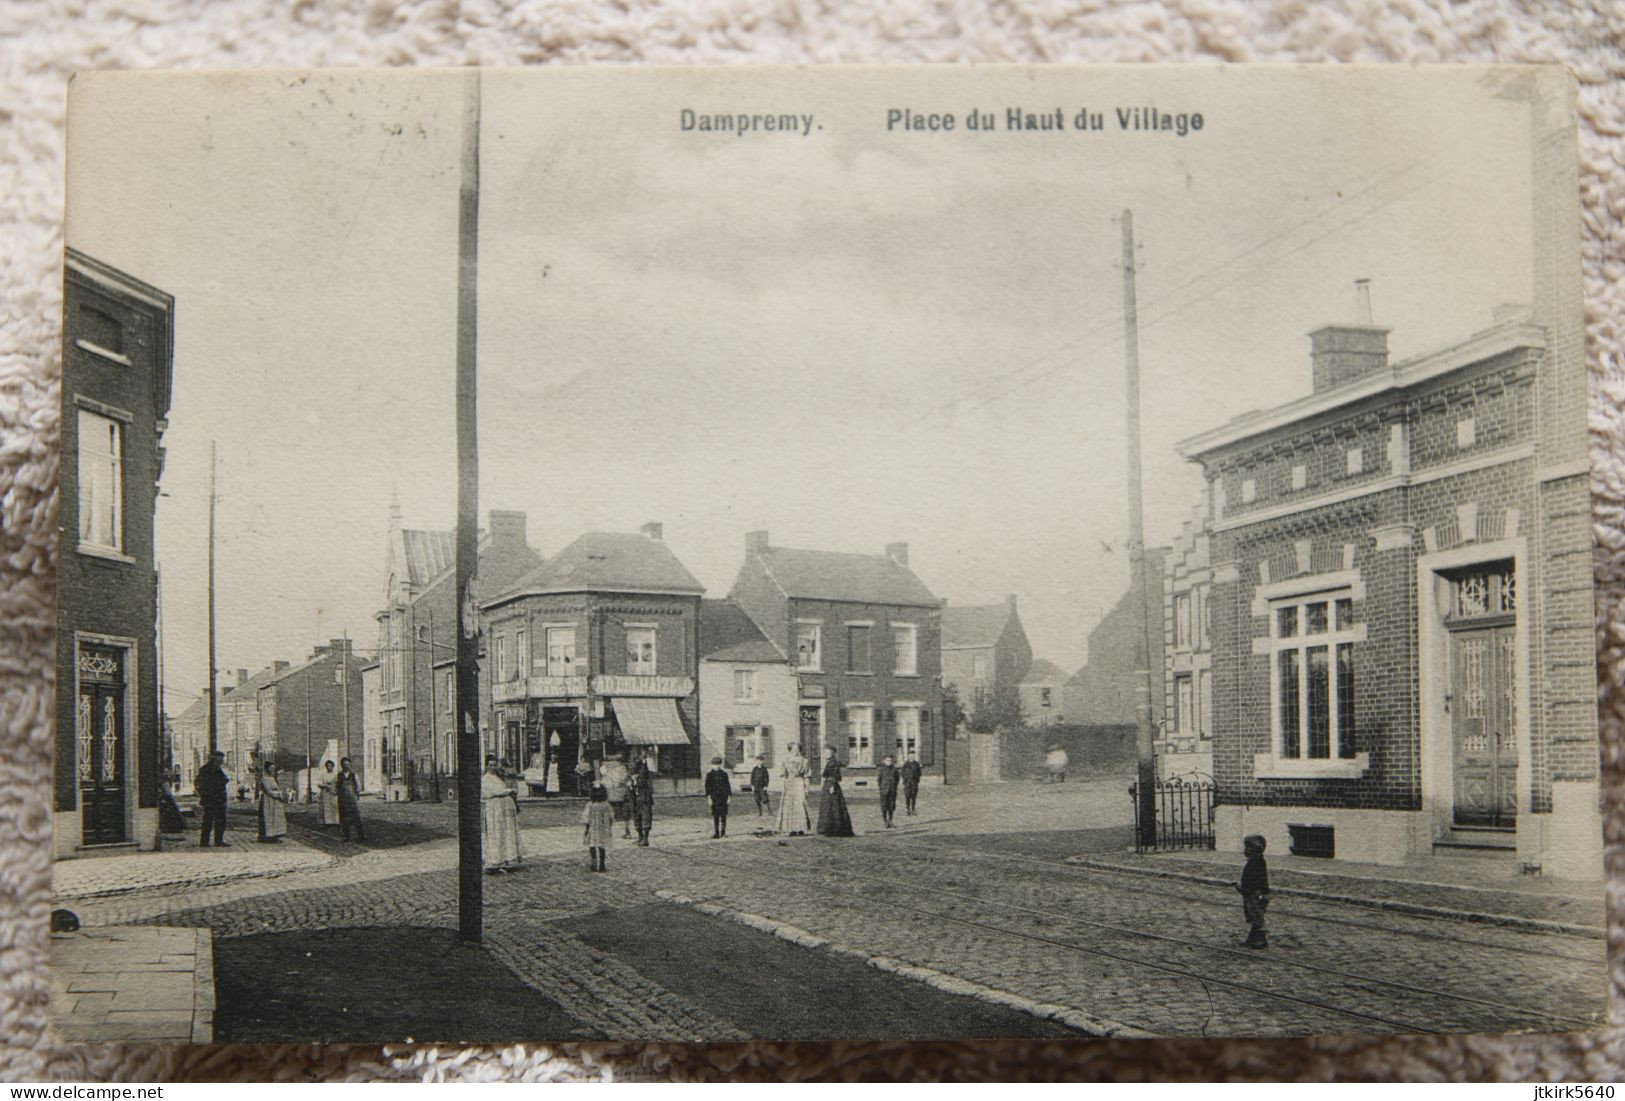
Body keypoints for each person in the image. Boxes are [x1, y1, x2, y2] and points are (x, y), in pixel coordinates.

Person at [483, 754, 523, 874]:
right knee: (496, 832)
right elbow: (493, 792)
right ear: (486, 766)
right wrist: (509, 791)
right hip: (494, 808)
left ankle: (506, 859)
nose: (493, 767)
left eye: (495, 765)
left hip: (503, 808)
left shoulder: (498, 777)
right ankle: (494, 861)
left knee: (505, 832)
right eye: (490, 765)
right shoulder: (485, 779)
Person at [1238, 834, 1270, 948]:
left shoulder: (1255, 862)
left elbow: (1255, 880)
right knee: (1254, 916)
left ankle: (1260, 941)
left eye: (1247, 847)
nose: (1245, 850)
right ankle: (1252, 940)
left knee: (1256, 917)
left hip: (1255, 894)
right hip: (1252, 893)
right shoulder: (1256, 860)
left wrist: (1245, 889)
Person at [815, 746, 854, 837]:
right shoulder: (830, 762)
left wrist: (832, 786)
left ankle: (834, 828)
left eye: (828, 753)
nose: (825, 754)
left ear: (832, 753)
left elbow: (834, 775)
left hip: (831, 785)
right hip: (828, 784)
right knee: (829, 806)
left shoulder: (833, 762)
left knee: (833, 806)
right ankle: (829, 828)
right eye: (825, 752)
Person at [196, 750, 230, 847]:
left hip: (215, 798)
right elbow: (200, 784)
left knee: (217, 820)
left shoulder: (214, 769)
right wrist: (205, 794)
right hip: (212, 799)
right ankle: (207, 841)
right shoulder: (207, 770)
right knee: (210, 820)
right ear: (215, 758)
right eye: (221, 758)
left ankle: (215, 841)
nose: (222, 761)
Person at [776, 743, 811, 836]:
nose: (795, 751)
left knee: (800, 804)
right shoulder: (786, 760)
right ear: (790, 750)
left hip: (799, 782)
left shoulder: (804, 761)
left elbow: (806, 776)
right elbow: (783, 774)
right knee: (789, 805)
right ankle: (790, 828)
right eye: (793, 749)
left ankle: (800, 828)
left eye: (797, 749)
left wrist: (807, 788)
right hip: (789, 783)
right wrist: (783, 786)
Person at [599, 752, 633, 840]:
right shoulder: (623, 769)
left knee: (609, 813)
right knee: (624, 814)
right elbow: (627, 781)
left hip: (612, 794)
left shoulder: (607, 770)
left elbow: (604, 782)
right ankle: (626, 831)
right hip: (621, 794)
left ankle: (608, 832)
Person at [582, 785, 613, 872]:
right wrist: (609, 828)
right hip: (603, 829)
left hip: (593, 829)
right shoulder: (607, 805)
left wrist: (586, 829)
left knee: (592, 845)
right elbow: (611, 817)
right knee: (602, 846)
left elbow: (586, 818)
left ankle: (594, 863)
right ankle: (602, 864)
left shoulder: (590, 805)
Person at [256, 762, 289, 843]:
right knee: (268, 817)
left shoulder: (273, 778)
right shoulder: (264, 778)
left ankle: (274, 836)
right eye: (271, 768)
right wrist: (278, 795)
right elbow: (269, 791)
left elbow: (277, 788)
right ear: (267, 769)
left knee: (275, 818)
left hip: (275, 802)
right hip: (268, 800)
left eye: (274, 769)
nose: (272, 770)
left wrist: (280, 794)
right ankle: (266, 837)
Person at [336, 757, 366, 842]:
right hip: (342, 800)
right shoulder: (339, 776)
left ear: (350, 765)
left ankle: (361, 835)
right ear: (341, 765)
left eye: (347, 764)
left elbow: (358, 786)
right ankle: (346, 836)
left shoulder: (354, 775)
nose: (346, 766)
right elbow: (335, 787)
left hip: (352, 799)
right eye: (344, 765)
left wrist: (356, 793)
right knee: (344, 818)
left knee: (356, 817)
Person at [629, 750, 655, 847]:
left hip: (644, 798)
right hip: (635, 798)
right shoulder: (632, 777)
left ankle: (645, 838)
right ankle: (640, 836)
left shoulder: (644, 775)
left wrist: (643, 761)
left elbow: (644, 781)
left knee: (645, 817)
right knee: (636, 817)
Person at [705, 756, 732, 839]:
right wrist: (709, 798)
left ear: (720, 765)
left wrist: (729, 797)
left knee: (723, 816)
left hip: (723, 798)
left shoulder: (724, 774)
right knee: (716, 816)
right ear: (712, 765)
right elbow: (707, 787)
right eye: (714, 764)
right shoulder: (709, 775)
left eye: (718, 764)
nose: (716, 766)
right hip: (714, 798)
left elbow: (728, 786)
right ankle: (716, 833)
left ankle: (723, 833)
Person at [875, 754, 900, 829]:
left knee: (891, 806)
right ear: (884, 761)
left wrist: (894, 787)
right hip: (884, 791)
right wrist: (882, 788)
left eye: (890, 760)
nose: (889, 762)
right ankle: (885, 821)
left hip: (892, 790)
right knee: (884, 806)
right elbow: (879, 780)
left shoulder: (894, 769)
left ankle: (890, 821)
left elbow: (897, 779)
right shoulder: (881, 769)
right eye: (887, 760)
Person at [317, 759, 339, 827]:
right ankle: (326, 821)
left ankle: (335, 821)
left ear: (333, 766)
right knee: (325, 807)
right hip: (325, 792)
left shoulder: (336, 775)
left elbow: (338, 784)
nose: (329, 767)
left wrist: (335, 789)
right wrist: (323, 785)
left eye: (330, 766)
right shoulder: (323, 774)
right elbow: (319, 783)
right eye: (327, 766)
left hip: (333, 792)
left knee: (334, 806)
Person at [900, 751, 923, 816]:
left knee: (913, 796)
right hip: (907, 783)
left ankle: (913, 809)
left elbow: (919, 773)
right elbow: (902, 772)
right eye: (910, 756)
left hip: (914, 783)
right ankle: (908, 809)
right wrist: (906, 779)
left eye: (913, 756)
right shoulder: (905, 764)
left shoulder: (916, 764)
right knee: (907, 796)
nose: (911, 757)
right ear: (908, 756)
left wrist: (916, 779)